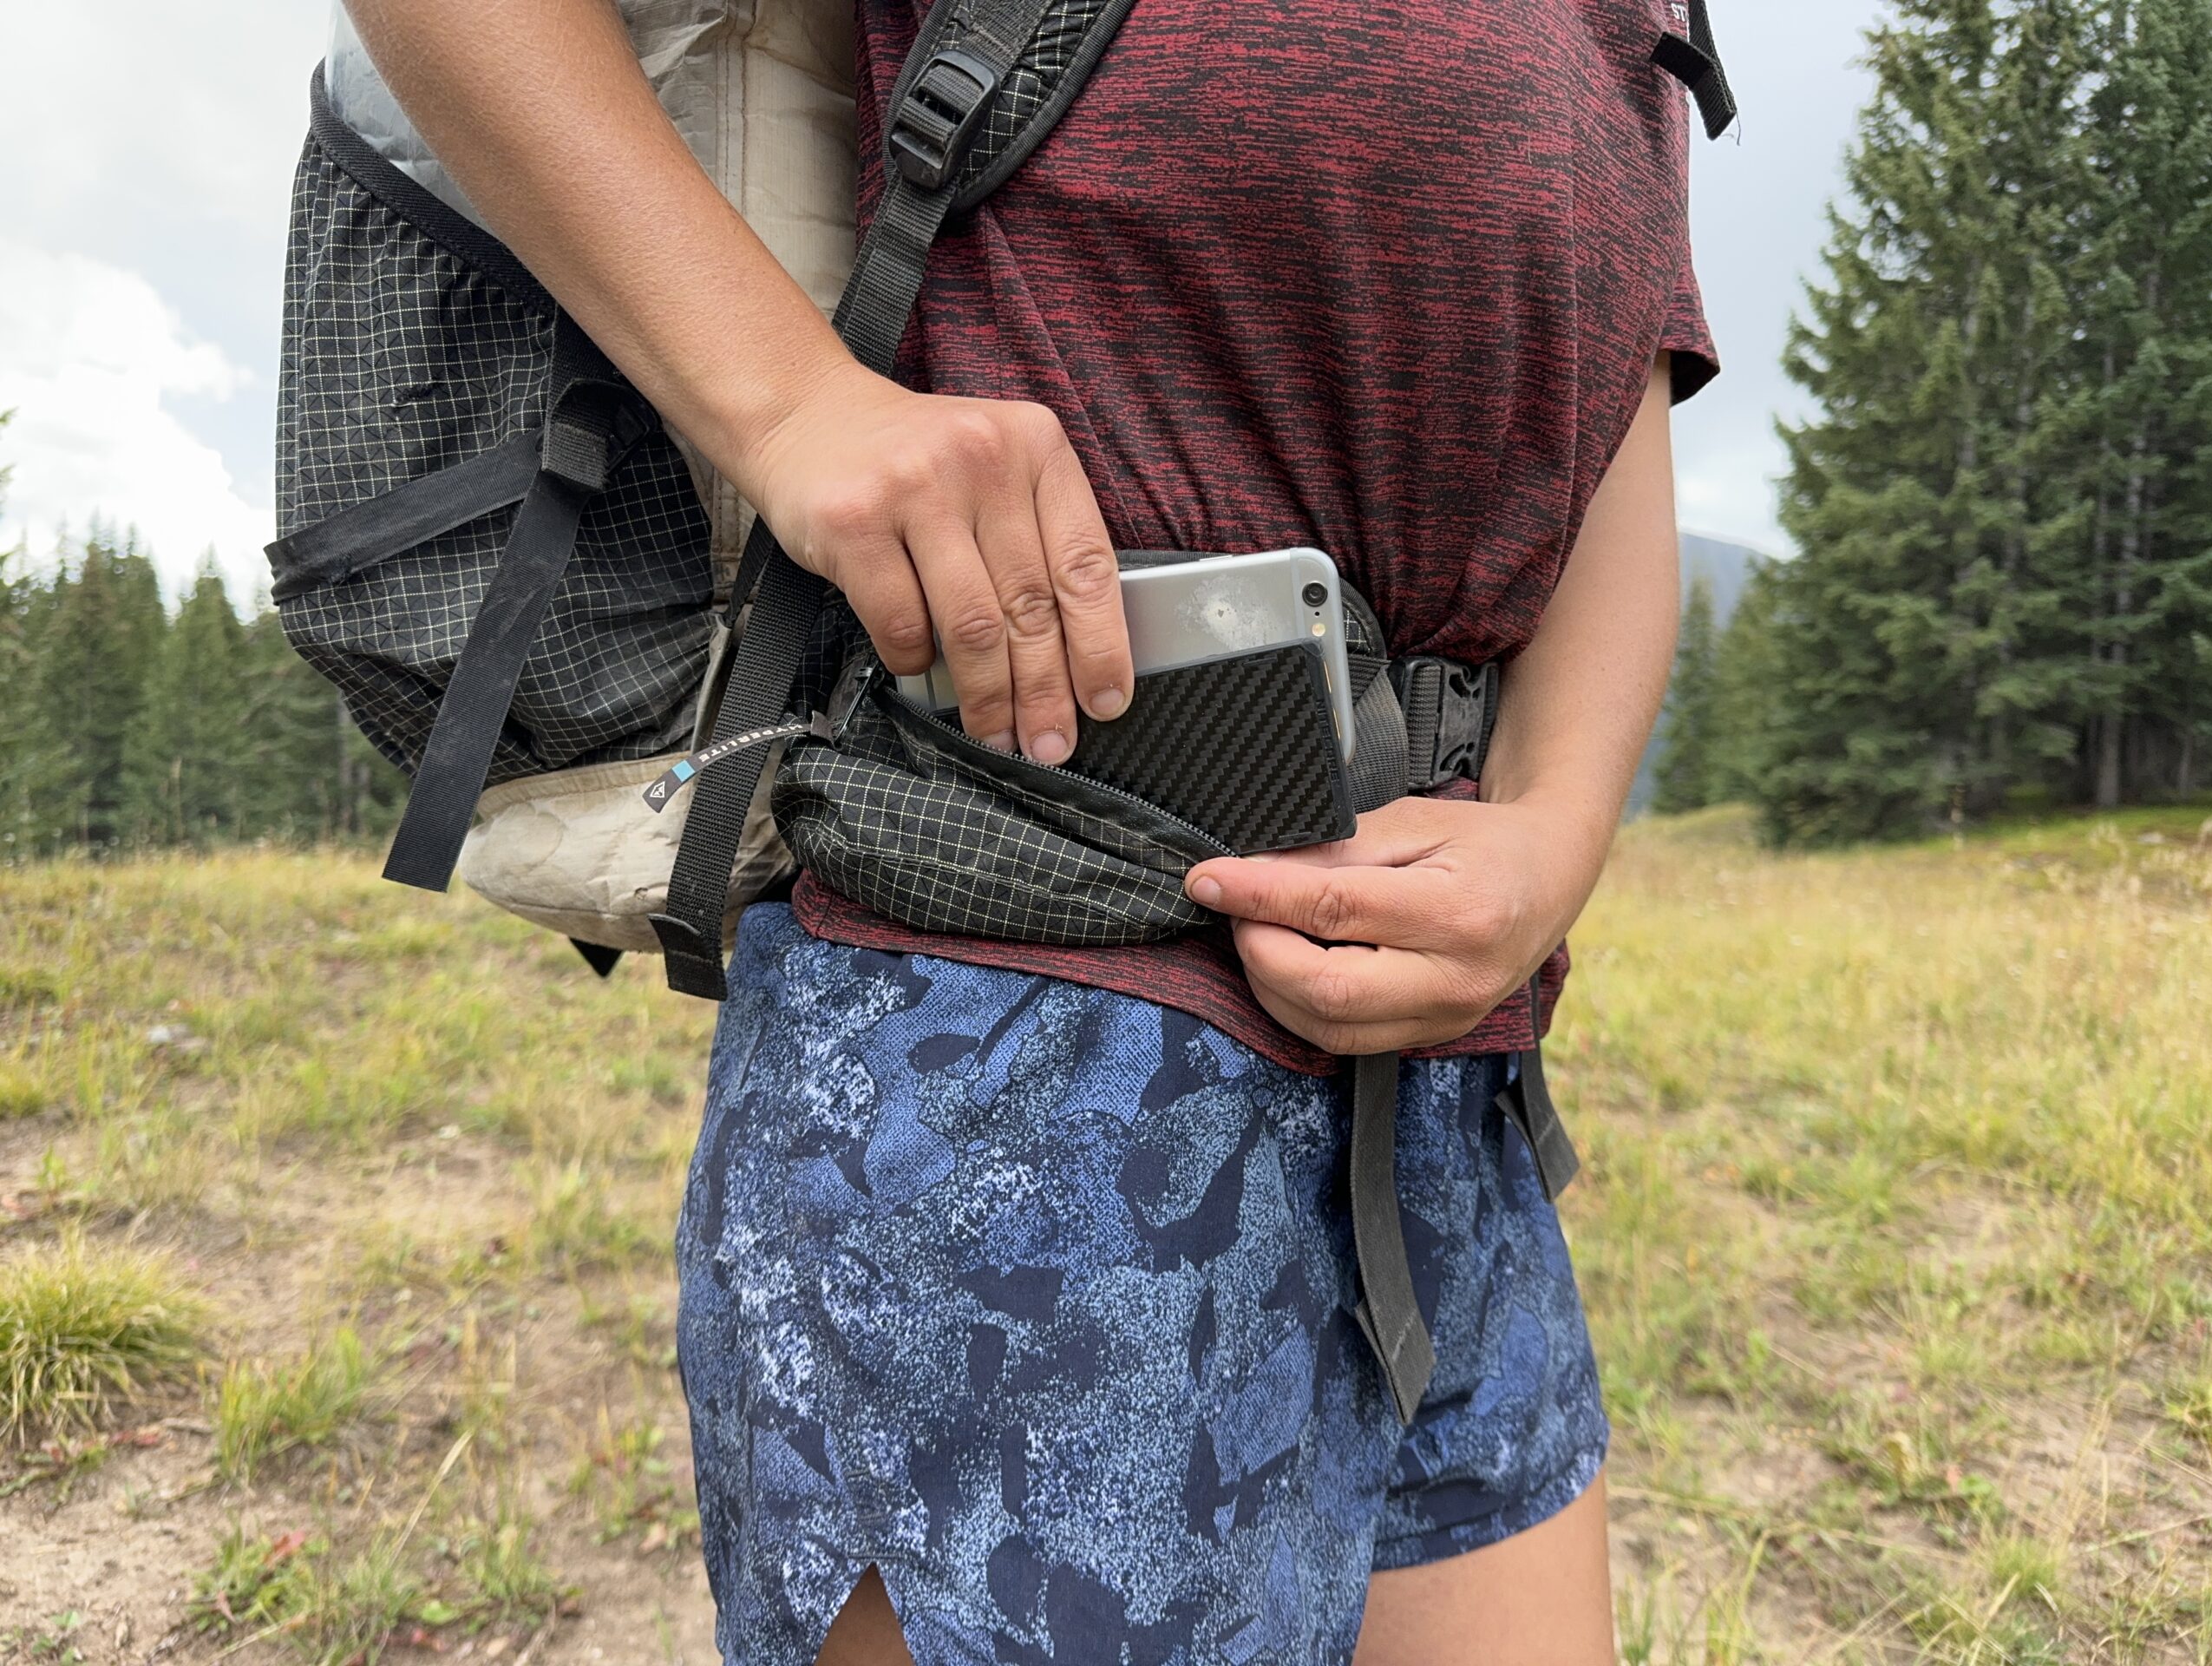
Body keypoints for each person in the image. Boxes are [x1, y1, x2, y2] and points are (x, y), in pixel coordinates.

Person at [342, 0, 1716, 1660]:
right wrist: (789, 407)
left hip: (1444, 1088)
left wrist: (1558, 828)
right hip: (1014, 1037)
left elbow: (1619, 401)